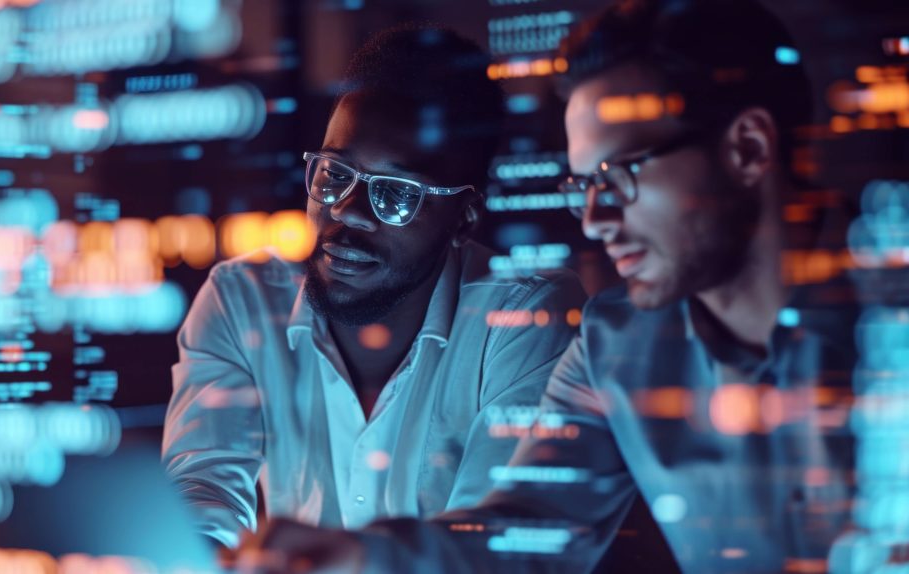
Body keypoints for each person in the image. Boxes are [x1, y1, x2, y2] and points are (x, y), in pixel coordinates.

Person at [241, 1, 860, 572]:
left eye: (620, 175)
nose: (594, 218)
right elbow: (526, 529)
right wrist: (360, 556)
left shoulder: (887, 318)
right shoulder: (617, 347)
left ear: (747, 149)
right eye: (584, 184)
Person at [161, 24, 587, 550]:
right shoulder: (241, 301)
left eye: (396, 193)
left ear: (464, 217)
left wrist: (351, 560)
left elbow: (497, 543)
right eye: (334, 174)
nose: (346, 211)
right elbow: (203, 490)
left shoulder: (525, 317)